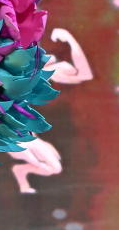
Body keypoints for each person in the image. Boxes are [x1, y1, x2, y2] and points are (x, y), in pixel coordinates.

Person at [7, 27, 93, 194]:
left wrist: (70, 40)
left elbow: (84, 74)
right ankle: (21, 172)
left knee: (54, 167)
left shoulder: (44, 70)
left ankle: (21, 172)